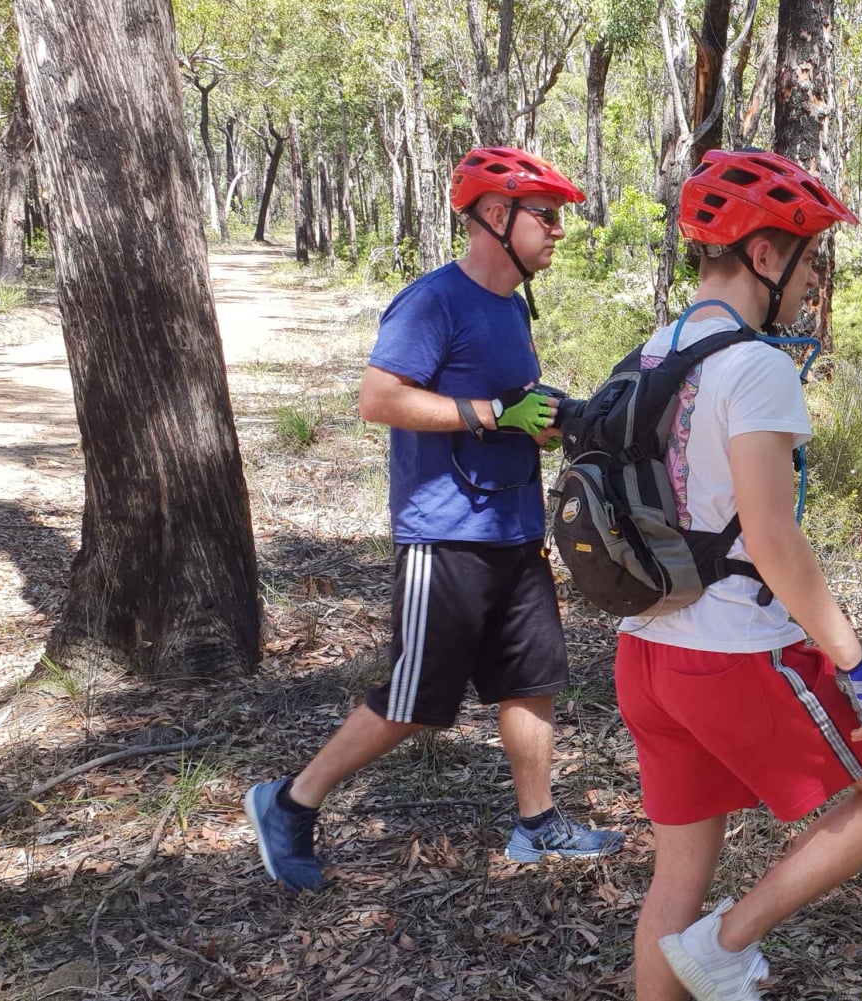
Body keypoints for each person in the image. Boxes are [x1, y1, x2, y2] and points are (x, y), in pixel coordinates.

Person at [244, 147, 624, 890]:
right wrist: (488, 413)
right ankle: (289, 802)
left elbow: (502, 405)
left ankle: (537, 823)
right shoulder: (433, 301)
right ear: (494, 216)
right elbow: (378, 398)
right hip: (444, 533)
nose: (558, 231)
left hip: (514, 527)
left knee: (531, 676)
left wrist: (536, 420)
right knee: (417, 697)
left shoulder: (512, 306)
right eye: (545, 216)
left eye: (557, 218)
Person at [615, 148, 862, 1001]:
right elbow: (772, 536)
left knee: (676, 876)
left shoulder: (653, 352)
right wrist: (851, 657)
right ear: (763, 254)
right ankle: (729, 942)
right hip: (733, 652)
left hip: (646, 653)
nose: (813, 280)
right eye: (809, 255)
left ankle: (704, 945)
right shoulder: (755, 365)